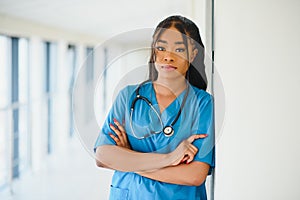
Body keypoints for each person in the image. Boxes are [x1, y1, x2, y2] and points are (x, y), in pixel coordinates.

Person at [94, 15, 215, 200]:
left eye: (179, 49)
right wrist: (170, 158)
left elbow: (194, 175)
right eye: (161, 48)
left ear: (193, 54)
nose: (168, 57)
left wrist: (129, 159)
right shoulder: (128, 97)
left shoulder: (202, 104)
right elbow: (103, 156)